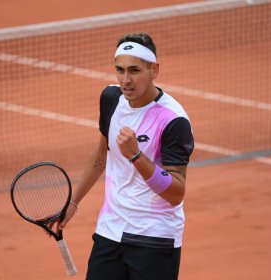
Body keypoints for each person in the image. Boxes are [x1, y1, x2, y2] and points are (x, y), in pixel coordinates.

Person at [51, 33, 194, 280]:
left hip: (154, 236)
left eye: (135, 70)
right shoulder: (111, 99)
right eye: (120, 70)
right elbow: (101, 154)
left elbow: (176, 192)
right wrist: (73, 203)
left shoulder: (173, 120)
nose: (126, 80)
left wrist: (136, 156)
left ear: (154, 70)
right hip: (111, 229)